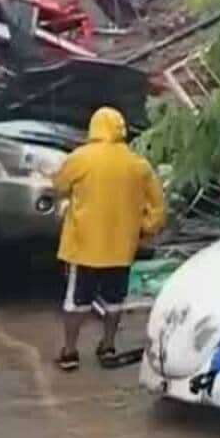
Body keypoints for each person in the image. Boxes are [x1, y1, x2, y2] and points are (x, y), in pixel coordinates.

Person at [52, 107, 165, 370]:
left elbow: (58, 185)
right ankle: (108, 346)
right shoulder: (139, 165)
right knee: (115, 301)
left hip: (84, 247)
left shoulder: (80, 158)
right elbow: (159, 208)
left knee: (76, 302)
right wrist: (144, 229)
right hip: (121, 248)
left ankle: (69, 352)